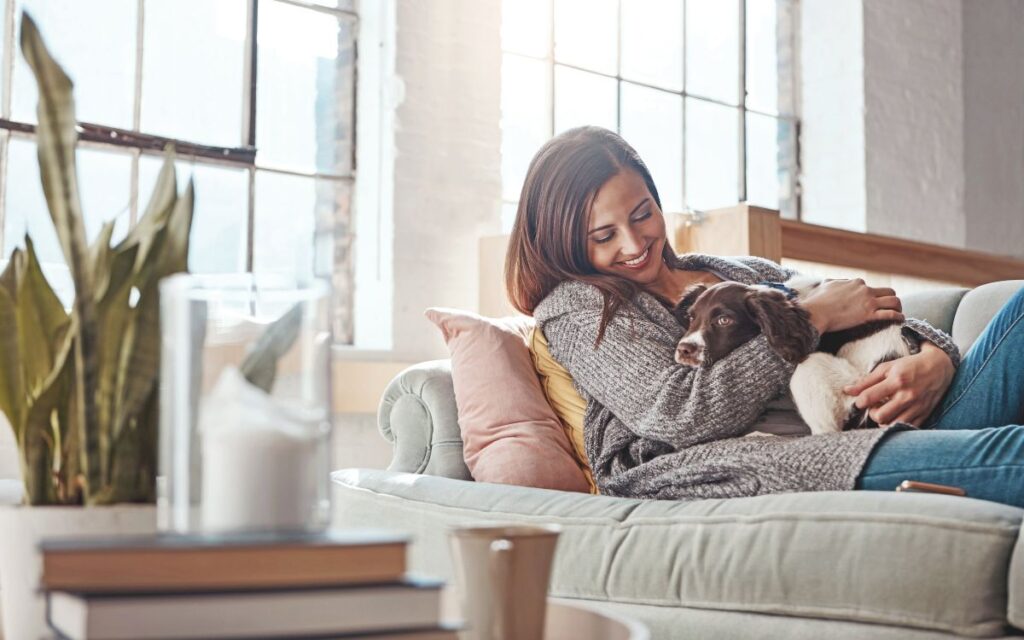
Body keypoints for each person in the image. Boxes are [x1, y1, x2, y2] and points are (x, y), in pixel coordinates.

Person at [505, 125, 1024, 506]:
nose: (635, 242)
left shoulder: (737, 269)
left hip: (891, 409)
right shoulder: (578, 308)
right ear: (565, 239)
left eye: (643, 213)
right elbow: (676, 414)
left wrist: (934, 358)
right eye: (603, 235)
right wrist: (811, 319)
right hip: (780, 455)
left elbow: (867, 311)